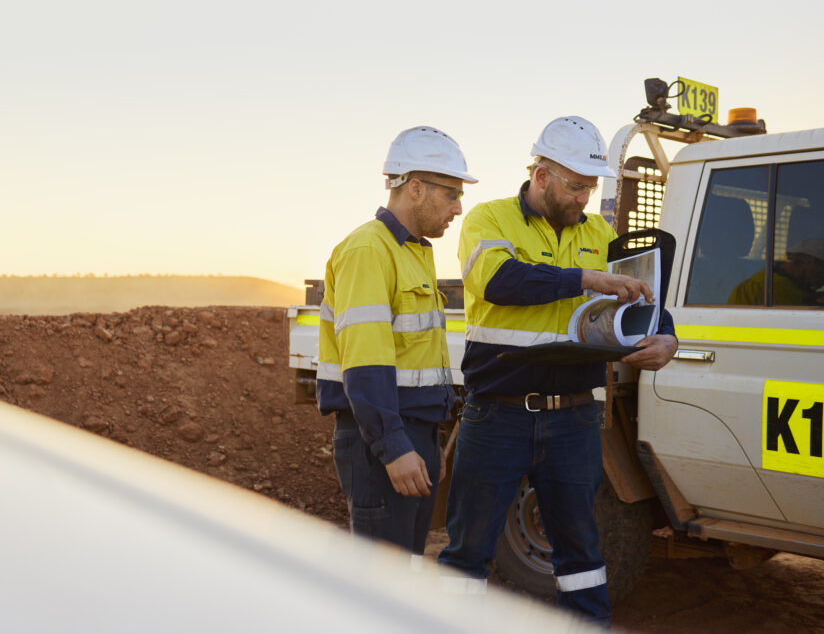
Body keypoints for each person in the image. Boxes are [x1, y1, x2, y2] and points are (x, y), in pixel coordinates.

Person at [437, 116, 677, 625]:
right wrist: (585, 277)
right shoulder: (489, 218)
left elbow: (638, 294)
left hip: (573, 420)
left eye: (590, 188)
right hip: (495, 417)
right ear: (541, 175)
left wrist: (667, 335)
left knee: (582, 553)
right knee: (468, 551)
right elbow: (500, 281)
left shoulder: (599, 231)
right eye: (574, 187)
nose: (583, 200)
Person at [316, 126, 475, 561]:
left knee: (401, 576)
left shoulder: (412, 251)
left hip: (411, 435)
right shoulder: (369, 250)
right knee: (382, 588)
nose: (458, 208)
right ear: (416, 188)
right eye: (451, 194)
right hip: (379, 443)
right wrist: (395, 448)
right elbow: (365, 365)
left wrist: (429, 442)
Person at [728, 237, 824, 306]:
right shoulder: (777, 287)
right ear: (802, 261)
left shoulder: (767, 280)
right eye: (821, 271)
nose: (822, 281)